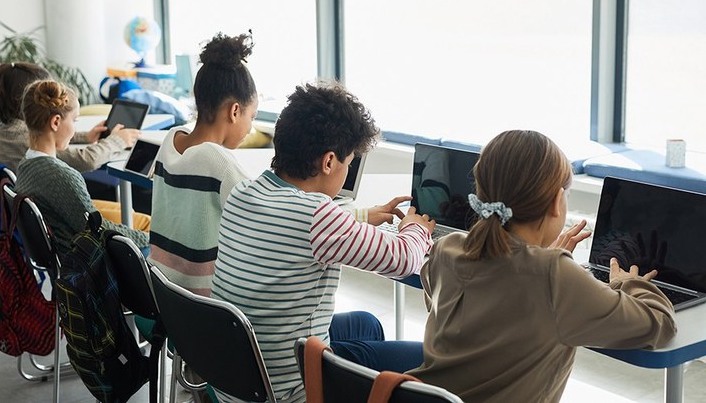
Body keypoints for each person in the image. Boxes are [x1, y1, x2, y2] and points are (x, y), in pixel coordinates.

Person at [408, 130, 677, 403]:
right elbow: (660, 325)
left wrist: (542, 260)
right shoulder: (553, 274)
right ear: (556, 202)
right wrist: (626, 281)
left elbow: (445, 305)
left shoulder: (448, 247)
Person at [210, 82, 436, 403]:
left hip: (241, 376)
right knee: (429, 360)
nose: (346, 170)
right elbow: (404, 259)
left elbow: (298, 225)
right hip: (293, 387)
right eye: (349, 161)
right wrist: (416, 227)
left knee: (366, 324)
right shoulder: (318, 216)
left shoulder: (245, 192)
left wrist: (362, 215)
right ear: (329, 162)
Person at [147, 32, 257, 296]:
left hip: (162, 292)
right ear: (234, 111)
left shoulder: (170, 141)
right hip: (203, 305)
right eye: (251, 117)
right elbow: (265, 215)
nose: (251, 128)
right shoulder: (218, 162)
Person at [14, 79, 149, 255]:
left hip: (67, 260)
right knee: (151, 242)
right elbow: (99, 230)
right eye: (75, 120)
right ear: (55, 122)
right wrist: (148, 239)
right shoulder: (63, 176)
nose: (74, 128)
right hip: (89, 265)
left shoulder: (25, 165)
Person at [0, 62, 140, 173]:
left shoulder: (1, 130)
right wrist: (117, 140)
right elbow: (86, 160)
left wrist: (86, 136)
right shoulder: (25, 142)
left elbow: (44, 132)